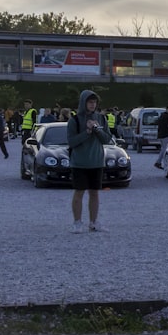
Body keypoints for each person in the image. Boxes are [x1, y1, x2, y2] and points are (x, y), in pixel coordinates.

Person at [67, 90, 112, 233]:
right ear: (83, 103)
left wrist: (97, 129)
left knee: (94, 193)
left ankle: (93, 222)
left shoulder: (101, 118)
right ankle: (77, 222)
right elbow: (72, 142)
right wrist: (86, 132)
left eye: (94, 102)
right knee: (79, 192)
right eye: (90, 102)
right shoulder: (74, 120)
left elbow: (107, 139)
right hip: (79, 162)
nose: (93, 105)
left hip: (96, 162)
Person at [154, 104, 168, 169]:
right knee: (165, 149)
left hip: (161, 135)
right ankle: (161, 162)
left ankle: (159, 162)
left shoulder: (162, 115)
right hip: (166, 135)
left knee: (163, 149)